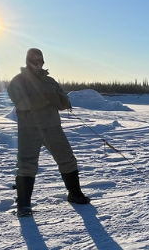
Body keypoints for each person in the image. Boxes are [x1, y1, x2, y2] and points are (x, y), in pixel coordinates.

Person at [7, 48, 90, 217]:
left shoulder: (51, 82)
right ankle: (23, 204)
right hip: (29, 129)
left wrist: (60, 100)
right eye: (34, 61)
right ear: (27, 62)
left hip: (53, 127)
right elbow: (22, 104)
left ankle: (75, 194)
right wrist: (46, 98)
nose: (38, 65)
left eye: (41, 61)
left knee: (67, 159)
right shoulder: (18, 81)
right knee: (27, 164)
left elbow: (64, 101)